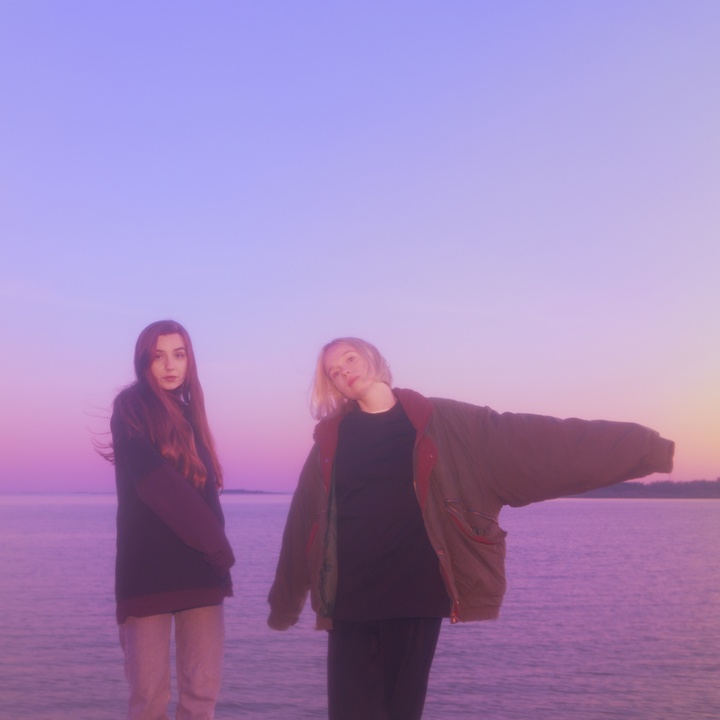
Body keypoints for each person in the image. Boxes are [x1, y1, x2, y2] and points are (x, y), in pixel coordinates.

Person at [267, 337, 675, 720]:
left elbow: (538, 442)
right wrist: (285, 602)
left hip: (415, 592)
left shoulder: (443, 422)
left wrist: (645, 449)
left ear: (372, 357)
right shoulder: (331, 440)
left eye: (349, 358)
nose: (344, 371)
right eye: (334, 371)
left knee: (400, 711)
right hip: (350, 595)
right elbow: (303, 521)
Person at [105, 320, 235, 720]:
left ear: (189, 360)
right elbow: (156, 484)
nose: (169, 365)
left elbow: (205, 497)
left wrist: (215, 557)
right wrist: (218, 546)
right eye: (158, 356)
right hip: (147, 572)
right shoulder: (130, 407)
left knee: (201, 697)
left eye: (178, 355)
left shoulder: (192, 414)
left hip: (199, 570)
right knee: (148, 699)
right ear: (144, 362)